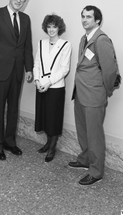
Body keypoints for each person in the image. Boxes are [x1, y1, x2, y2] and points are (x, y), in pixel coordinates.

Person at [68, 5, 119, 185]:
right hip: (81, 93)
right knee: (83, 131)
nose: (84, 20)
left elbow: (110, 71)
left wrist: (107, 91)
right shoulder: (84, 38)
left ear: (97, 20)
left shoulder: (101, 40)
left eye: (88, 17)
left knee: (94, 134)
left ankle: (96, 171)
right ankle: (84, 159)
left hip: (94, 95)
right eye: (82, 16)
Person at [0, 0, 33, 161]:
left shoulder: (26, 19)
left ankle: (10, 142)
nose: (19, 0)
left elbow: (27, 46)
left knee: (13, 108)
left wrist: (29, 68)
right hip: (0, 71)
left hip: (18, 71)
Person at [33, 14, 72, 162]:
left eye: (54, 26)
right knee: (44, 116)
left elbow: (64, 69)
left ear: (59, 28)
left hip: (55, 87)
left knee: (53, 118)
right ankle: (48, 142)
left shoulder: (66, 45)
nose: (51, 29)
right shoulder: (41, 43)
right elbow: (36, 63)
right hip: (41, 85)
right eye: (49, 26)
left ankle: (52, 147)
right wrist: (37, 80)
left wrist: (48, 82)